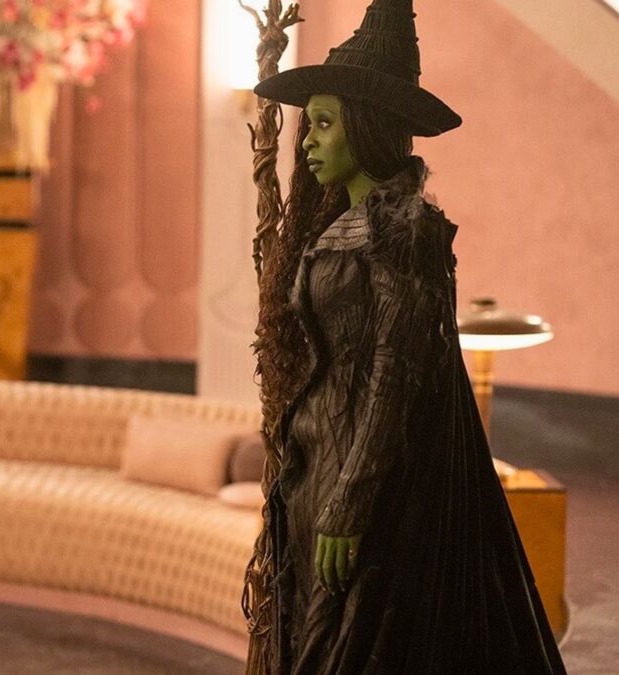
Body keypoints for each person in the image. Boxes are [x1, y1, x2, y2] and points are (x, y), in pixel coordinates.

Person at [241, 0, 567, 672]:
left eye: (325, 123)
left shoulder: (405, 231)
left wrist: (349, 499)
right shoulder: (339, 225)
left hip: (371, 486)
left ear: (367, 126)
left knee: (354, 646)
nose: (308, 141)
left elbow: (391, 372)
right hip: (317, 470)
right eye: (310, 124)